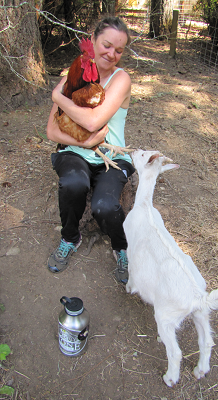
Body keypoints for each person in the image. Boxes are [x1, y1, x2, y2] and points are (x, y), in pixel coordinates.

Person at [46, 16, 134, 284]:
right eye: (107, 45)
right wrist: (83, 143)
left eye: (119, 50)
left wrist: (58, 96)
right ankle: (70, 238)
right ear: (92, 40)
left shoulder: (121, 79)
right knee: (73, 184)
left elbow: (94, 122)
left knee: (105, 206)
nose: (112, 54)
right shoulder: (71, 78)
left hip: (112, 155)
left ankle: (122, 246)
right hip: (74, 152)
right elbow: (51, 131)